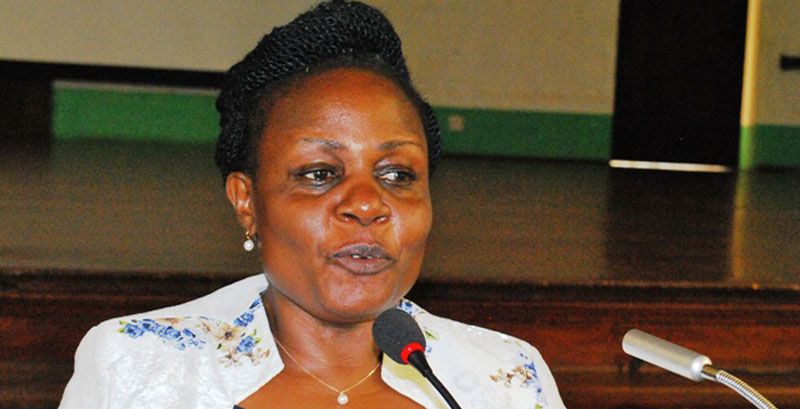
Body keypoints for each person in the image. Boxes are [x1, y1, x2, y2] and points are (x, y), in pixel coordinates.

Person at [59, 1, 566, 408]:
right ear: (247, 202)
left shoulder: (507, 380)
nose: (366, 205)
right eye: (320, 174)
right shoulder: (136, 369)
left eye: (397, 175)